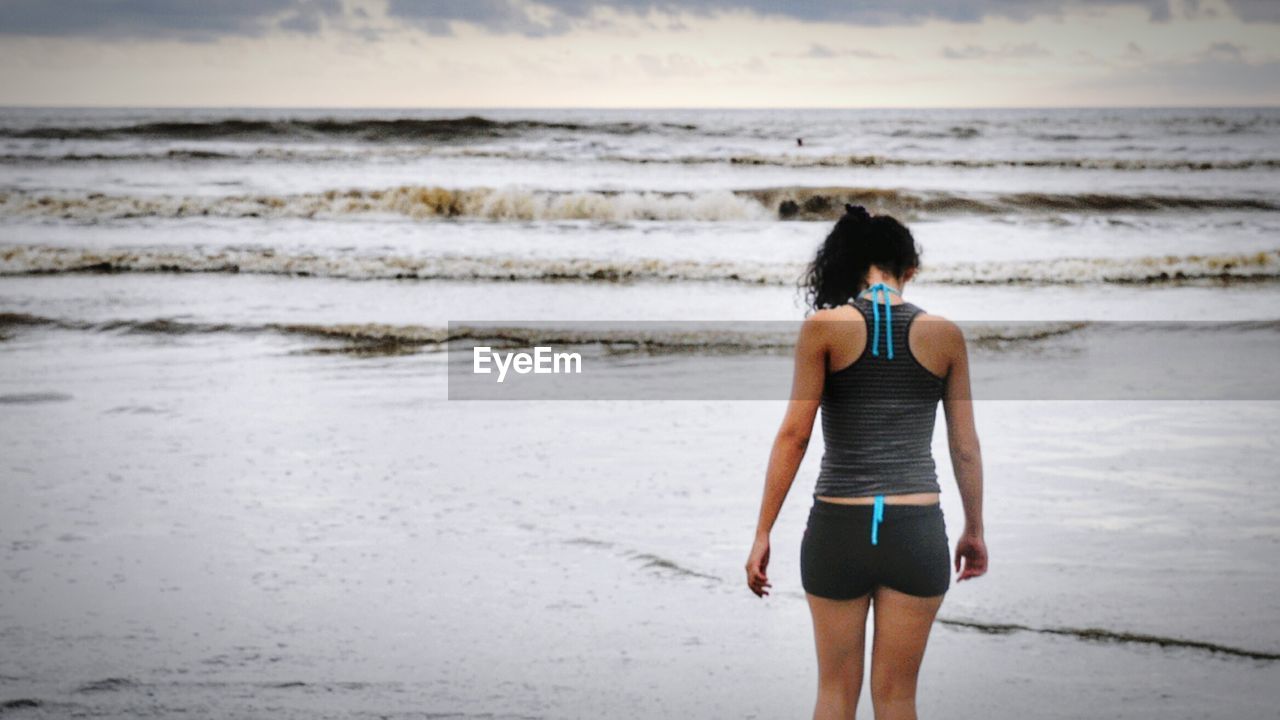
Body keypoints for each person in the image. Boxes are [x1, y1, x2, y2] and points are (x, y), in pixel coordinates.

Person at [745, 203, 988, 720]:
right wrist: (974, 528)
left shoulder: (823, 329)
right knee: (898, 699)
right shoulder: (946, 336)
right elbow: (964, 443)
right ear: (910, 271)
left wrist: (763, 530)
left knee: (834, 695)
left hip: (838, 527)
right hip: (916, 529)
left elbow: (794, 436)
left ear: (850, 267)